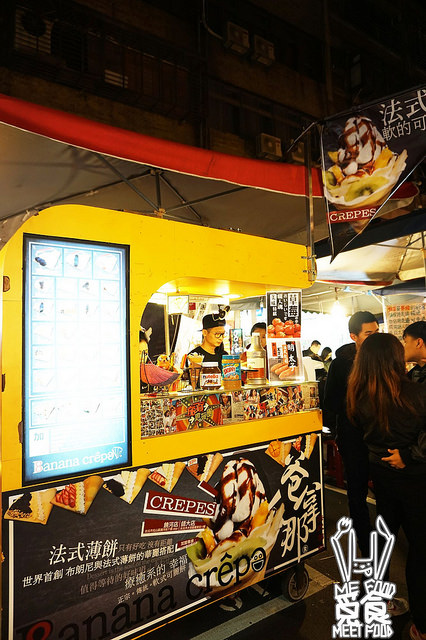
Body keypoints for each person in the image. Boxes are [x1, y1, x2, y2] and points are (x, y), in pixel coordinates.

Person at [347, 333, 426, 640]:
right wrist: (408, 455)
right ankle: (421, 623)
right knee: (419, 549)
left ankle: (375, 602)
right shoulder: (416, 394)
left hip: (382, 477)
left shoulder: (358, 396)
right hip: (416, 480)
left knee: (383, 539)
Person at [324, 311, 379, 557]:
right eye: (368, 334)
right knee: (357, 492)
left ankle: (384, 538)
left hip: (381, 436)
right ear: (353, 336)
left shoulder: (383, 358)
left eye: (377, 332)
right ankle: (366, 546)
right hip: (353, 436)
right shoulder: (341, 364)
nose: (374, 338)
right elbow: (331, 401)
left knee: (385, 491)